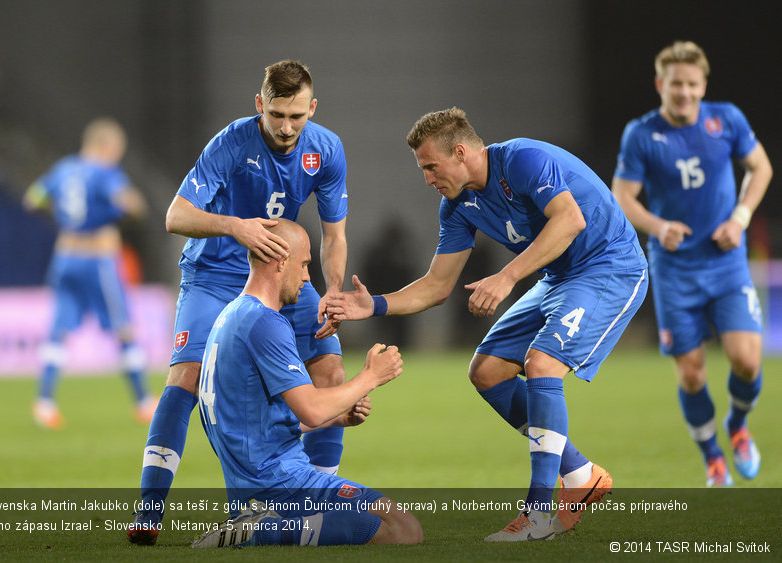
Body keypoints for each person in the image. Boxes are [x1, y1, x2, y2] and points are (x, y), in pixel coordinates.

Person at [326, 107, 649, 542]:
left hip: (609, 267)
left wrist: (508, 276)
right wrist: (376, 305)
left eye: (430, 166)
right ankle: (580, 475)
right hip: (559, 278)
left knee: (542, 365)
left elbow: (570, 219)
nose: (427, 178)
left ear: (460, 152)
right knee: (487, 372)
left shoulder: (522, 160)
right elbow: (438, 285)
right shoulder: (457, 206)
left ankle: (537, 516)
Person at [129, 60, 349, 545]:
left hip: (278, 274)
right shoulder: (231, 144)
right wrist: (235, 226)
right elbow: (175, 215)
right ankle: (148, 515)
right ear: (259, 106)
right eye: (277, 115)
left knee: (330, 372)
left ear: (312, 108)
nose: (287, 127)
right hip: (213, 273)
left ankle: (304, 508)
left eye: (296, 116)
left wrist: (332, 289)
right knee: (185, 380)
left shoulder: (327, 150)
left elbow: (334, 236)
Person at [187, 218, 422, 548]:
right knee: (404, 529)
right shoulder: (266, 322)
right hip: (278, 480)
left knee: (384, 521)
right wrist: (371, 377)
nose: (308, 277)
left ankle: (256, 524)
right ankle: (259, 533)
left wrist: (339, 417)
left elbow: (255, 423)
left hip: (249, 484)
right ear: (281, 261)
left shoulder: (230, 316)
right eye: (306, 264)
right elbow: (311, 409)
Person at [612, 41, 772, 487]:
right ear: (661, 84)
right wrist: (657, 225)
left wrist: (740, 218)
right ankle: (712, 458)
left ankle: (738, 427)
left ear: (703, 86)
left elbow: (761, 168)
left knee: (746, 360)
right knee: (691, 371)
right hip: (674, 267)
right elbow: (622, 197)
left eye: (691, 84)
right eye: (675, 83)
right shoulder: (641, 134)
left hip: (725, 262)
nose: (683, 92)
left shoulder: (727, 120)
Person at [23, 117, 155, 429]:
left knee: (59, 330)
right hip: (97, 257)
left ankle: (44, 402)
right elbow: (131, 204)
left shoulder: (63, 168)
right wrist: (118, 213)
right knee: (123, 327)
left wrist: (62, 218)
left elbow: (32, 199)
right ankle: (142, 401)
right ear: (107, 146)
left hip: (65, 255)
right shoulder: (105, 172)